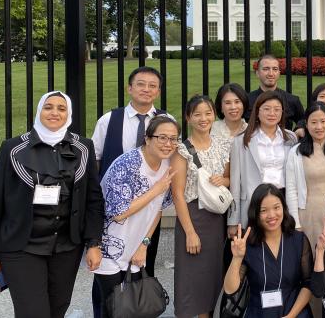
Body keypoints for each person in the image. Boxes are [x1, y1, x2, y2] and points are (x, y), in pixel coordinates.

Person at [0, 91, 104, 318]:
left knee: (57, 310)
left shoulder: (83, 147)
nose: (55, 112)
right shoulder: (13, 148)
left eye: (61, 108)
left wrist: (93, 243)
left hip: (66, 248)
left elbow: (93, 200)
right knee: (33, 313)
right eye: (49, 107)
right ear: (39, 111)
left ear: (69, 114)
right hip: (22, 247)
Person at [93, 115, 178, 318]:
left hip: (137, 246)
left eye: (173, 139)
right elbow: (117, 212)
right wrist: (156, 189)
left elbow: (157, 210)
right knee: (113, 308)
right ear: (147, 139)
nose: (168, 144)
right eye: (162, 137)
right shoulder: (127, 164)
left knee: (135, 306)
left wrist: (144, 244)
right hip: (109, 247)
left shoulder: (168, 166)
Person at [91, 66, 170, 282]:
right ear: (129, 88)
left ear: (159, 91)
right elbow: (96, 161)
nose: (146, 89)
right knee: (105, 274)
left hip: (150, 208)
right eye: (140, 84)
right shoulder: (108, 120)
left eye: (152, 86)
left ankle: (140, 306)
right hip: (113, 210)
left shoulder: (167, 121)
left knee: (144, 267)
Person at [170, 95, 231, 318]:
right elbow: (177, 194)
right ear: (188, 118)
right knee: (192, 276)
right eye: (197, 114)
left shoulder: (223, 145)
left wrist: (222, 181)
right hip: (193, 217)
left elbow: (230, 178)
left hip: (217, 218)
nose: (203, 118)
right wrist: (190, 232)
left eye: (208, 113)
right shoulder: (182, 151)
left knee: (213, 275)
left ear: (214, 115)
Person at [223, 183, 313, 318]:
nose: (272, 215)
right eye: (263, 210)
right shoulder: (246, 244)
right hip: (259, 313)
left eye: (276, 207)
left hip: (295, 312)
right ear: (255, 213)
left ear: (284, 207)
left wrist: (291, 316)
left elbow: (308, 283)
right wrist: (237, 258)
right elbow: (230, 290)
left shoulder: (298, 240)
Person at [229, 91, 299, 230]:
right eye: (266, 109)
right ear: (257, 111)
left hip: (282, 199)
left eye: (277, 109)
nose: (272, 113)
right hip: (254, 201)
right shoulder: (241, 141)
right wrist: (232, 221)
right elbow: (235, 183)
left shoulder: (290, 139)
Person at [286, 102, 325, 248]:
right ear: (306, 125)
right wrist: (296, 222)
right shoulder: (296, 153)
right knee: (311, 259)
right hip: (309, 215)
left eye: (323, 121)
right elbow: (291, 189)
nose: (319, 127)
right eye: (313, 122)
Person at [244, 54, 305, 128]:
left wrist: (299, 129)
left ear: (279, 73)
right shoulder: (246, 100)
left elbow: (303, 120)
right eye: (266, 69)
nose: (271, 73)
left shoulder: (292, 100)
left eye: (275, 69)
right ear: (257, 73)